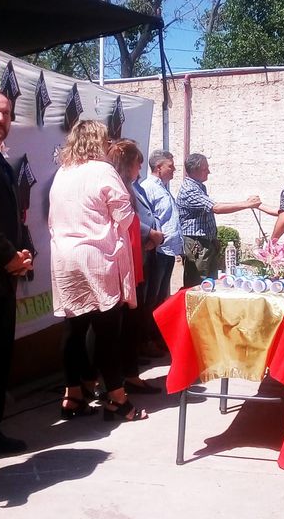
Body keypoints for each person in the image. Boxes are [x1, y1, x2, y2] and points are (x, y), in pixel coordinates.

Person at [49, 120, 147, 422]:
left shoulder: (63, 171)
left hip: (65, 257)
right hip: (96, 257)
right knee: (107, 331)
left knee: (74, 329)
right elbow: (124, 215)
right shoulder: (102, 170)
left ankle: (73, 396)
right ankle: (118, 399)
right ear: (98, 142)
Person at [0, 89, 33, 456]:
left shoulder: (1, 162)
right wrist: (8, 257)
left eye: (5, 113)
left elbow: (12, 217)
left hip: (4, 279)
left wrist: (23, 253)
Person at [107, 139, 161, 393]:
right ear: (128, 164)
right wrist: (149, 233)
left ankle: (129, 373)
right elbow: (125, 221)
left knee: (132, 321)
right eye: (138, 164)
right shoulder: (116, 186)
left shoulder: (129, 186)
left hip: (135, 258)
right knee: (120, 324)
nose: (140, 169)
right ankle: (117, 378)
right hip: (121, 263)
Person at [176, 153, 261, 287]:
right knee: (198, 284)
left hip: (206, 242)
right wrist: (247, 204)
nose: (209, 172)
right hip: (197, 244)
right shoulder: (189, 190)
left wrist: (213, 239)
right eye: (205, 169)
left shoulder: (199, 187)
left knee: (210, 283)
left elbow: (207, 213)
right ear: (195, 170)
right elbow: (216, 208)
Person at [138, 150, 183, 354]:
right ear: (158, 167)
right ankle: (146, 340)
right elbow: (145, 218)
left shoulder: (162, 188)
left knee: (161, 298)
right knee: (151, 298)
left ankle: (156, 338)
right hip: (157, 251)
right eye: (170, 166)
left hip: (168, 250)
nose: (174, 170)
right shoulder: (148, 188)